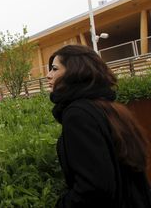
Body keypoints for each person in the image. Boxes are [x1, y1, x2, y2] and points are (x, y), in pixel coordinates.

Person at [46, 45, 151, 207]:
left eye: (54, 69)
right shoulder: (111, 108)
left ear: (75, 71)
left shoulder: (78, 114)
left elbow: (94, 188)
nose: (48, 75)